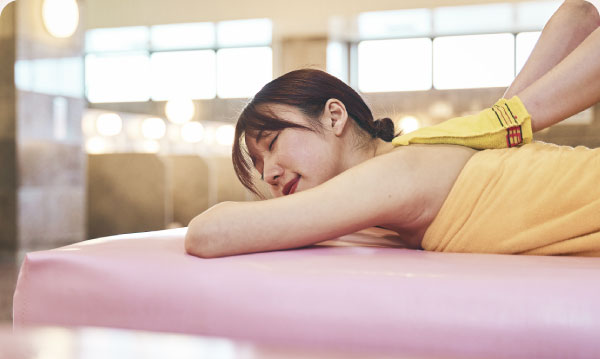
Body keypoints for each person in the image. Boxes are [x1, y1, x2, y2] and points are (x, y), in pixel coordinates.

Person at [186, 0, 600, 258]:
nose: (268, 174)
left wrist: (507, 118)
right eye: (258, 165)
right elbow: (578, 14)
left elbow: (208, 232)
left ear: (334, 116)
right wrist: (504, 117)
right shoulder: (419, 152)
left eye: (273, 144)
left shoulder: (390, 175)